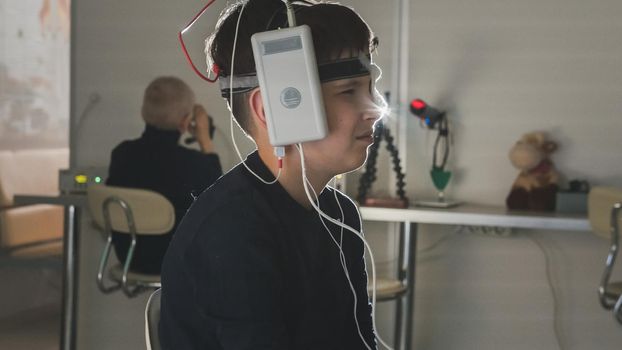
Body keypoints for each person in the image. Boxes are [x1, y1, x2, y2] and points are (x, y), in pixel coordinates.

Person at [160, 1, 384, 348]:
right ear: (272, 109)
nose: (375, 111)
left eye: (370, 89)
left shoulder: (340, 214)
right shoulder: (232, 231)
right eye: (349, 91)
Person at [106, 76, 222, 275]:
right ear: (186, 121)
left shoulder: (121, 154)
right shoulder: (194, 164)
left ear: (143, 113)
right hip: (177, 261)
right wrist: (205, 141)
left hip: (129, 258)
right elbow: (218, 203)